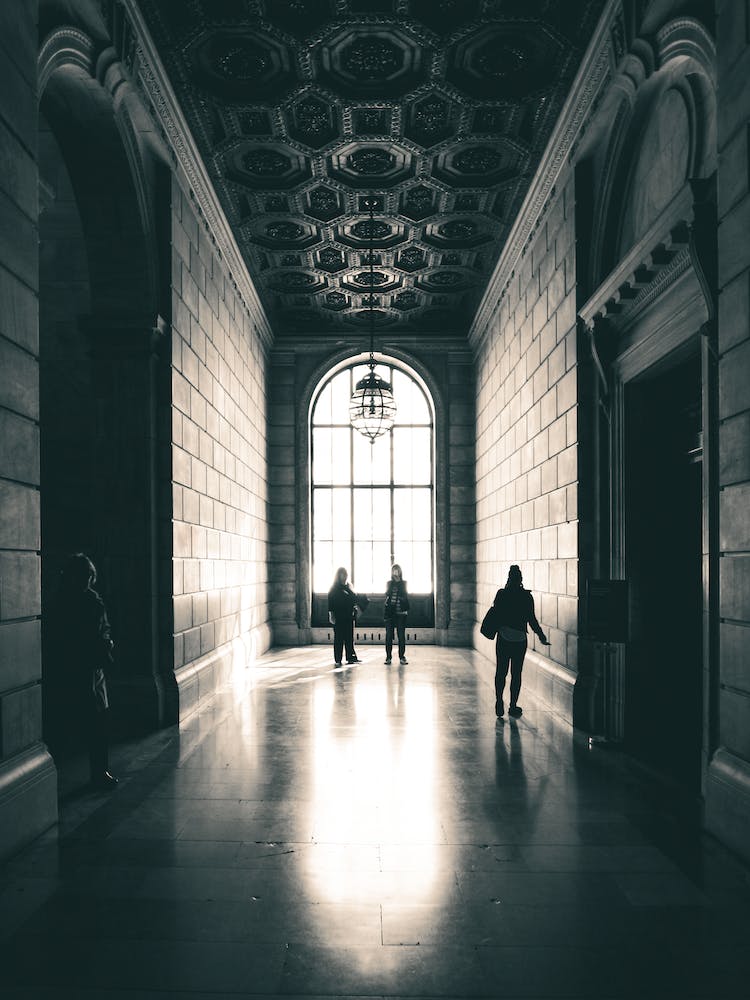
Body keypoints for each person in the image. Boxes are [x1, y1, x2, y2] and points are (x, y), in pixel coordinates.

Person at [56, 553, 118, 788]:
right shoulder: (87, 602)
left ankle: (98, 771)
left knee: (94, 724)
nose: (88, 580)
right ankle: (99, 772)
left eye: (89, 575)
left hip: (88, 670)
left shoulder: (75, 600)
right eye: (85, 575)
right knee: (95, 724)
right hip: (84, 670)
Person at [493, 564, 549, 719]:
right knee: (516, 673)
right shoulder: (526, 596)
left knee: (501, 671)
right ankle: (512, 705)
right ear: (521, 579)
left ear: (509, 578)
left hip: (504, 637)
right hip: (520, 639)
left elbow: (495, 613)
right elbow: (532, 619)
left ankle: (499, 700)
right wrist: (541, 635)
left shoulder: (502, 594)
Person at [327, 567, 362, 666]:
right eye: (343, 574)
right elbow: (331, 602)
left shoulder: (349, 586)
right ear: (338, 576)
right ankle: (338, 659)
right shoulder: (334, 588)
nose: (345, 576)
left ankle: (351, 657)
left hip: (349, 616)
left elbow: (354, 598)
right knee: (339, 638)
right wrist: (331, 615)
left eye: (346, 574)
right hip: (338, 616)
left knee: (349, 638)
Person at [383, 563, 410, 665]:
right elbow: (387, 594)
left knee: (401, 635)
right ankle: (388, 657)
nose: (395, 572)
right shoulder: (389, 583)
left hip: (401, 613)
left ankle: (402, 657)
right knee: (389, 635)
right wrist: (393, 583)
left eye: (397, 570)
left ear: (400, 571)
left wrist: (398, 581)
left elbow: (404, 594)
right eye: (393, 570)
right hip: (390, 613)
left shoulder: (404, 583)